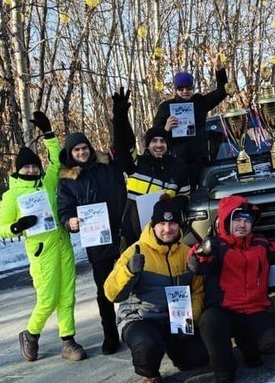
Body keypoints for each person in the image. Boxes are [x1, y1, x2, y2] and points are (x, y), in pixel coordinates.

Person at [187, 195, 275, 383]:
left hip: (253, 311)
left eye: (247, 220)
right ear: (225, 220)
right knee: (210, 321)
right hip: (224, 311)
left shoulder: (260, 243)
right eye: (237, 220)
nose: (242, 225)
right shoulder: (216, 246)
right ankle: (223, 373)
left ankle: (249, 349)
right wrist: (201, 252)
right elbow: (196, 264)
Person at [0, 111, 87, 362]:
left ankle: (68, 340)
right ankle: (31, 334)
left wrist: (49, 135)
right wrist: (17, 226)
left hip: (62, 244)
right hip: (41, 251)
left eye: (34, 165)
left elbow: (57, 162)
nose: (31, 169)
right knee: (48, 298)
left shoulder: (47, 183)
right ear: (18, 170)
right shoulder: (11, 195)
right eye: (26, 166)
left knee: (68, 294)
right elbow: (0, 228)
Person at [104, 195, 208, 383]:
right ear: (152, 224)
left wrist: (191, 318)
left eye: (173, 223)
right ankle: (149, 371)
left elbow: (197, 292)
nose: (167, 229)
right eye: (161, 223)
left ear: (179, 225)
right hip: (142, 319)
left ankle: (175, 349)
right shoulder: (135, 251)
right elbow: (111, 294)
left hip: (176, 320)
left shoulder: (188, 253)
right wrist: (129, 272)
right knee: (148, 344)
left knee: (198, 358)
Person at [57, 131, 127, 355]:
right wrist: (70, 222)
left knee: (134, 279)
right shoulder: (67, 180)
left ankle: (141, 325)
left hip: (122, 230)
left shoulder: (107, 164)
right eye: (77, 150)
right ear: (71, 154)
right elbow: (64, 209)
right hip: (97, 238)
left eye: (84, 148)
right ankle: (110, 335)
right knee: (104, 288)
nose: (82, 153)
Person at [111, 87, 191, 247]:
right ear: (148, 146)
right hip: (133, 234)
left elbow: (185, 197)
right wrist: (120, 120)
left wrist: (169, 206)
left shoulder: (178, 168)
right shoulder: (136, 164)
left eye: (162, 141)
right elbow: (124, 144)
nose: (159, 145)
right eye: (154, 141)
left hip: (163, 232)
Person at [151, 56, 228, 187]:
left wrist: (219, 70)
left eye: (188, 88)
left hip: (201, 160)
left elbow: (222, 92)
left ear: (192, 87)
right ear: (175, 89)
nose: (185, 92)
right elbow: (154, 135)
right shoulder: (166, 106)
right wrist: (167, 128)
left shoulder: (199, 102)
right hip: (178, 161)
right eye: (180, 89)